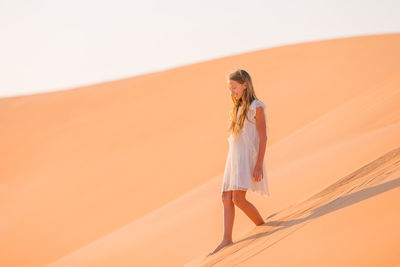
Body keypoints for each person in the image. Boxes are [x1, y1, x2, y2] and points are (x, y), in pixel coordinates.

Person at [211, 69, 270, 255]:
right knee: (225, 197)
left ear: (245, 85)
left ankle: (262, 226)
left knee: (238, 199)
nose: (232, 92)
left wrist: (259, 164)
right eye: (230, 89)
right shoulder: (237, 108)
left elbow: (263, 136)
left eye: (234, 88)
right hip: (234, 157)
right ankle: (226, 239)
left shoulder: (256, 106)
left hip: (246, 157)